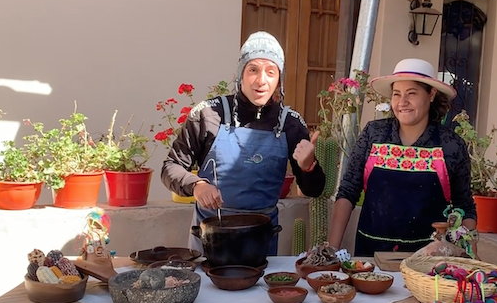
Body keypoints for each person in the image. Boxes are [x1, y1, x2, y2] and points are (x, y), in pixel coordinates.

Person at [161, 31, 326, 255]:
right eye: (253, 70)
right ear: (240, 73)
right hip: (210, 238)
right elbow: (170, 166)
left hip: (261, 242)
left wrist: (308, 166)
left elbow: (314, 189)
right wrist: (197, 185)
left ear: (279, 78)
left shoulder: (291, 123)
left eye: (271, 72)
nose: (261, 81)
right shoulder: (209, 114)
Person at [327, 58, 477, 257]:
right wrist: (331, 251)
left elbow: (464, 206)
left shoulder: (450, 144)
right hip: (370, 261)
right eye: (397, 94)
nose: (402, 102)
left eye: (412, 94)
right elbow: (347, 192)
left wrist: (472, 258)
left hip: (428, 263)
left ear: (431, 95)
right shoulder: (374, 134)